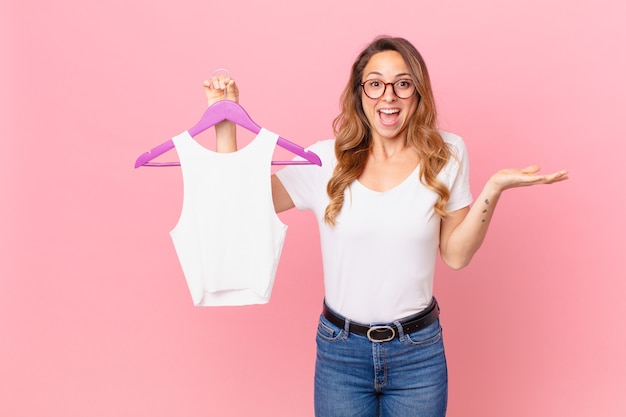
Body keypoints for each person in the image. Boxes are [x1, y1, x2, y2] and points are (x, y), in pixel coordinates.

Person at [203, 36, 568, 417]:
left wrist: (494, 189)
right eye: (375, 83)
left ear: (418, 92)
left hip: (418, 355)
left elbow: (456, 256)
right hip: (340, 353)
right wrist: (226, 125)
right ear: (360, 93)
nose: (388, 96)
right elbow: (243, 203)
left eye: (403, 84)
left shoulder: (447, 153)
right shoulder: (325, 160)